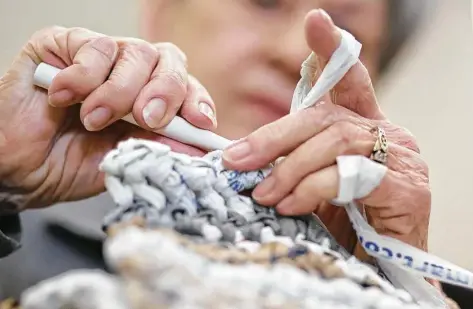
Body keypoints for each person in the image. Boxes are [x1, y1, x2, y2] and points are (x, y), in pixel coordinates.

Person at [0, 0, 439, 301]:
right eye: (264, 1)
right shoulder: (19, 218)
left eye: (346, 34)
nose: (293, 52)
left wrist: (401, 288)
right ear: (161, 12)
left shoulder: (406, 285)